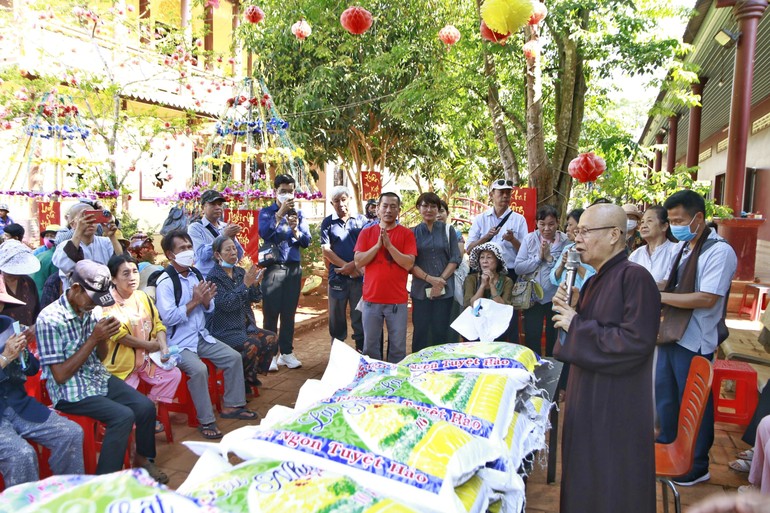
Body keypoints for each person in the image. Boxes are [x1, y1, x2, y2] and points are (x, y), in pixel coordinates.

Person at [551, 203, 660, 513]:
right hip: (589, 399)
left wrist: (576, 324)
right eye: (576, 231)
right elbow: (593, 328)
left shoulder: (635, 278)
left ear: (615, 235)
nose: (577, 239)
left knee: (610, 486)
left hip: (614, 409)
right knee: (585, 479)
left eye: (585, 231)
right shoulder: (596, 278)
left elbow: (634, 343)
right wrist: (571, 310)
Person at [36, 260, 168, 482]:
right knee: (122, 416)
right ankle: (105, 482)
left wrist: (103, 338)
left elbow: (101, 357)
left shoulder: (91, 310)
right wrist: (94, 338)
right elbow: (60, 376)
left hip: (97, 377)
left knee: (144, 407)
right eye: (92, 299)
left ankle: (143, 461)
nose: (94, 305)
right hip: (69, 391)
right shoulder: (49, 320)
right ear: (76, 289)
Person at [656, 190, 737, 486]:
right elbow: (672, 282)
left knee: (694, 406)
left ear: (698, 218)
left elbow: (706, 298)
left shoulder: (719, 251)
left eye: (679, 220)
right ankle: (667, 444)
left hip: (695, 340)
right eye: (672, 220)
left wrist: (660, 295)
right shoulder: (686, 247)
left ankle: (697, 464)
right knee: (665, 395)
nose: (675, 225)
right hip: (671, 334)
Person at [155, 230, 256, 440]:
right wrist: (194, 301)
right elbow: (168, 319)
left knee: (233, 357)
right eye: (181, 248)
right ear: (169, 255)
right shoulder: (166, 282)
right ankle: (206, 420)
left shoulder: (195, 274)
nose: (188, 251)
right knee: (200, 370)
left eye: (189, 247)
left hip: (201, 336)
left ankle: (232, 405)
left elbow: (208, 309)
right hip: (179, 343)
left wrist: (206, 301)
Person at [0, 314, 84, 487]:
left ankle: (68, 494)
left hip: (19, 405)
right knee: (22, 454)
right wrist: (5, 358)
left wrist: (22, 353)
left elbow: (32, 369)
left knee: (71, 432)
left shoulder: (6, 324)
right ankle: (25, 506)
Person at [102, 254, 182, 432]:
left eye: (134, 272)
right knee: (127, 409)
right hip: (122, 367)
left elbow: (158, 323)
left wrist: (162, 346)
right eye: (125, 274)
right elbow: (119, 335)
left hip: (146, 360)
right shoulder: (107, 302)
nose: (132, 277)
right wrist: (149, 346)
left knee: (173, 375)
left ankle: (149, 408)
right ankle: (141, 419)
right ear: (113, 279)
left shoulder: (142, 296)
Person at [206, 235, 278, 388]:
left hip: (245, 326)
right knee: (252, 345)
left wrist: (255, 285)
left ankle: (248, 376)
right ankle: (240, 383)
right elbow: (226, 304)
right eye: (228, 249)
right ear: (217, 255)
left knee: (271, 339)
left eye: (234, 248)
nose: (233, 252)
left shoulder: (239, 272)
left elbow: (255, 298)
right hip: (226, 330)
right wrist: (245, 285)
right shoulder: (213, 277)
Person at [354, 192, 416, 363]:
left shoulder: (406, 234)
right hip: (371, 299)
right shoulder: (366, 233)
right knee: (370, 348)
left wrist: (389, 246)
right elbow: (358, 262)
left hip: (397, 301)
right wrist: (377, 247)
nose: (388, 210)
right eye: (385, 206)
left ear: (399, 210)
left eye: (393, 206)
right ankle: (373, 384)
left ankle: (394, 384)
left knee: (398, 348)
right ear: (378, 210)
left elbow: (408, 264)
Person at [258, 175, 311, 370]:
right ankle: (270, 354)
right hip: (274, 268)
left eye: (290, 190)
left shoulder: (299, 214)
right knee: (271, 313)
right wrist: (279, 214)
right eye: (283, 191)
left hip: (293, 269)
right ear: (275, 192)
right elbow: (265, 233)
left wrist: (295, 230)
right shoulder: (266, 212)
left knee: (289, 313)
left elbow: (306, 241)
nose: (287, 194)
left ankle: (286, 352)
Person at [465, 179, 528, 342]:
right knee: (479, 314)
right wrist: (486, 237)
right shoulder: (481, 219)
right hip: (482, 273)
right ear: (492, 194)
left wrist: (513, 239)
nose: (505, 196)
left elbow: (524, 251)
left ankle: (508, 352)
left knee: (508, 316)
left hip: (509, 274)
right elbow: (469, 248)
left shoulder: (519, 219)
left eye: (508, 193)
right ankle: (478, 349)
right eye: (501, 193)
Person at [514, 205, 569, 357]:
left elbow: (564, 270)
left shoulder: (565, 241)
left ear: (558, 222)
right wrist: (538, 258)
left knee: (553, 337)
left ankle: (552, 372)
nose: (546, 228)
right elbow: (519, 267)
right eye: (542, 224)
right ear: (537, 223)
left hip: (556, 298)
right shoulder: (529, 239)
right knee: (532, 336)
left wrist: (550, 259)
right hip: (533, 298)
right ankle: (535, 369)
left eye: (551, 224)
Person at [410, 192, 461, 352]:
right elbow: (410, 263)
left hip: (445, 289)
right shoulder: (412, 233)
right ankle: (417, 367)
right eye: (425, 205)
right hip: (420, 290)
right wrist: (431, 279)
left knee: (441, 330)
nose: (429, 210)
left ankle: (440, 368)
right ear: (418, 208)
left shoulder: (448, 230)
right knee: (421, 331)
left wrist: (440, 281)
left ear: (438, 209)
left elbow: (455, 258)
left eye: (433, 206)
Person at [320, 186, 367, 351]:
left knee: (359, 316)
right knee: (336, 318)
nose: (341, 204)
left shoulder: (362, 221)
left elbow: (368, 249)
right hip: (337, 278)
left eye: (343, 199)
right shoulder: (328, 222)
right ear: (332, 204)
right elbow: (326, 250)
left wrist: (353, 267)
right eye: (336, 201)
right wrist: (346, 267)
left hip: (359, 278)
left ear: (350, 200)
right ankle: (337, 353)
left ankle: (361, 352)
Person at [52, 205, 122, 290]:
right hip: (78, 297)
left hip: (105, 296)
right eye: (85, 219)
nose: (90, 223)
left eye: (93, 218)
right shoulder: (63, 246)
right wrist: (79, 230)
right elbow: (66, 266)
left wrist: (112, 237)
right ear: (72, 224)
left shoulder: (106, 242)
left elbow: (121, 264)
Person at [188, 189, 244, 278]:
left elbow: (239, 256)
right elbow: (201, 255)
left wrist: (233, 238)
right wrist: (223, 236)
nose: (218, 207)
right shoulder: (195, 228)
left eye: (219, 204)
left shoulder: (225, 226)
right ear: (203, 208)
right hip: (208, 279)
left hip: (228, 278)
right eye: (213, 204)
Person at [629, 205, 682, 284]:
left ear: (664, 226)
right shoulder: (636, 254)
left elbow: (668, 284)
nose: (643, 226)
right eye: (642, 222)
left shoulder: (675, 251)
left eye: (649, 221)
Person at [550, 208, 596, 290]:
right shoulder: (568, 248)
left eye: (570, 225)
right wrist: (562, 264)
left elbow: (593, 281)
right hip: (562, 298)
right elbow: (553, 278)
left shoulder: (593, 251)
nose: (567, 228)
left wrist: (574, 262)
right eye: (567, 225)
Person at [0, 240, 42, 327]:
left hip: (27, 338)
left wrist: (34, 327)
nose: (15, 275)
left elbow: (37, 312)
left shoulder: (28, 283)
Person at [463, 242, 514, 308]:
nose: (485, 261)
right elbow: (471, 305)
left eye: (489, 257)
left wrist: (492, 285)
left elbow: (504, 307)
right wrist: (482, 285)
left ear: (498, 261)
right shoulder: (471, 279)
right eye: (482, 257)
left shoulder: (507, 281)